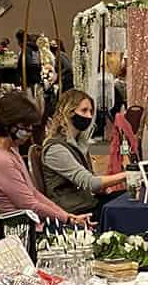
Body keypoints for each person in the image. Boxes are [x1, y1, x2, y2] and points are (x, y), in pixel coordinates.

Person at [0, 91, 89, 225]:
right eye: (25, 126)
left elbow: (33, 193)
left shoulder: (10, 149)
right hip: (19, 227)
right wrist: (67, 219)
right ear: (9, 124)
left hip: (30, 221)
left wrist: (67, 216)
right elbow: (29, 204)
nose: (29, 131)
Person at [42, 89, 126, 219]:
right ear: (69, 112)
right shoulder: (55, 149)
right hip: (74, 211)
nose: (89, 116)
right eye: (84, 110)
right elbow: (90, 183)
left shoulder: (78, 143)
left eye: (91, 111)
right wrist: (127, 175)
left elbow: (92, 184)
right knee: (127, 205)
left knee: (128, 198)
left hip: (86, 202)